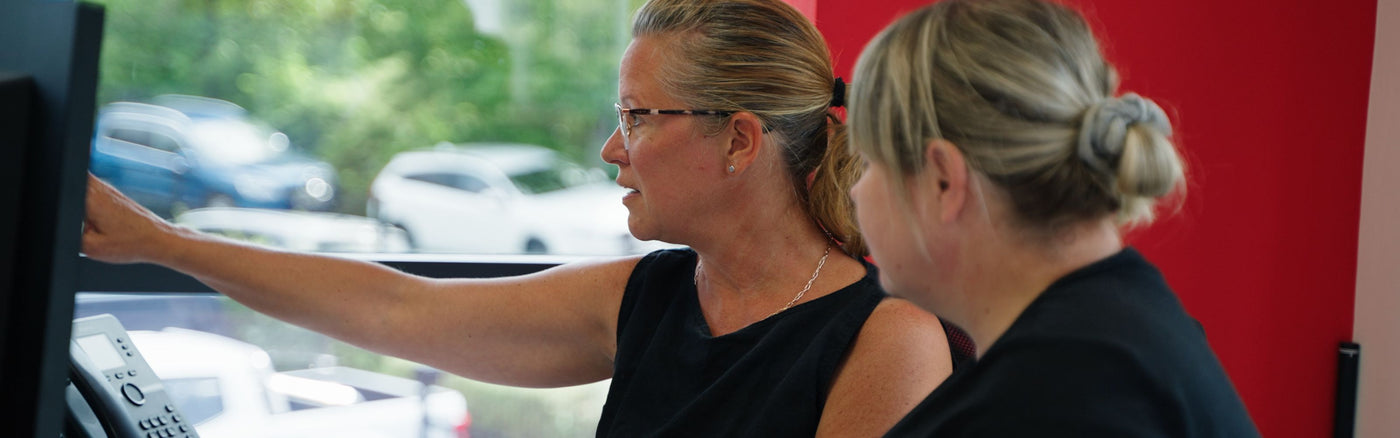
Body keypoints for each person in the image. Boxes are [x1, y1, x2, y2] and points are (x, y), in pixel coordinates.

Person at [82, 0, 956, 436]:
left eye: (636, 118)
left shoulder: (890, 337)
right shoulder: (650, 298)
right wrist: (163, 244)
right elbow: (394, 309)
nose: (614, 153)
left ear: (737, 140)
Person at [842, 0, 1261, 436]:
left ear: (943, 180)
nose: (855, 190)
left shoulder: (1055, 399)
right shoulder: (1112, 338)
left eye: (870, 163)